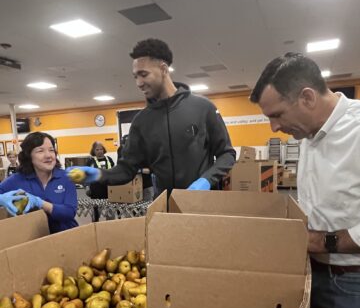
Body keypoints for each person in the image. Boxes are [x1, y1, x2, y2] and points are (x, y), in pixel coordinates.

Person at [250, 52, 360, 308]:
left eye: (277, 115)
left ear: (307, 97)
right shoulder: (307, 134)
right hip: (314, 274)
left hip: (353, 283)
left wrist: (319, 241)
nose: (273, 127)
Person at [67, 38, 236, 196]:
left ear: (163, 69)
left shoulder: (202, 107)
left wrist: (206, 180)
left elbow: (227, 154)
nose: (138, 83)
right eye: (135, 76)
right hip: (164, 208)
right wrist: (99, 174)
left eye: (143, 74)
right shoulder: (142, 122)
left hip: (202, 206)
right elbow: (126, 170)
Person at [0, 132, 78, 234]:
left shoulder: (66, 178)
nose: (48, 155)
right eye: (40, 151)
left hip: (66, 236)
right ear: (29, 156)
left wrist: (40, 203)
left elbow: (69, 212)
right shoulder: (17, 179)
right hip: (32, 239)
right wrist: (2, 199)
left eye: (51, 150)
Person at [86, 141, 114, 221]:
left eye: (101, 149)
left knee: (110, 212)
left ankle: (110, 227)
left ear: (103, 149)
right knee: (96, 213)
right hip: (96, 190)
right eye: (97, 149)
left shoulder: (109, 159)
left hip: (109, 190)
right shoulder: (90, 161)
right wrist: (87, 187)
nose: (99, 151)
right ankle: (95, 227)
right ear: (94, 151)